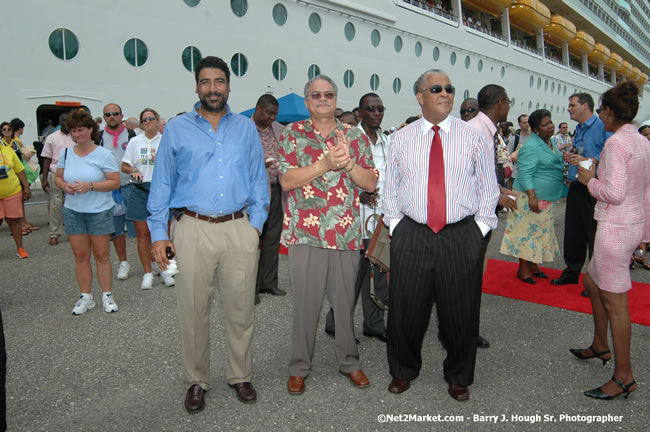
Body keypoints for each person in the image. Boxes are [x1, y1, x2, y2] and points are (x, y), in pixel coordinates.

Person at [147, 56, 269, 412]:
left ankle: (240, 374)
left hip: (238, 229)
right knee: (193, 311)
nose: (213, 88)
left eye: (219, 81)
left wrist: (254, 228)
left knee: (241, 309)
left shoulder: (246, 128)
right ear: (197, 86)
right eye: (205, 82)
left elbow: (259, 182)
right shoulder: (177, 128)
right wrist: (158, 234)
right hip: (191, 230)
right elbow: (162, 184)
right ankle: (196, 381)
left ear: (229, 86)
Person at [383, 69, 499, 401]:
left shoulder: (473, 137)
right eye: (437, 88)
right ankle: (403, 370)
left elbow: (489, 190)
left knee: (460, 312)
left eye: (449, 88)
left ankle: (459, 375)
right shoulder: (401, 139)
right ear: (420, 96)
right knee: (406, 310)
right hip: (412, 234)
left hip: (460, 235)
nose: (445, 92)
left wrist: (478, 230)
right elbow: (390, 189)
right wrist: (396, 225)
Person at [279, 75, 378, 395]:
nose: (323, 99)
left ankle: (349, 361)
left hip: (345, 233)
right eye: (316, 95)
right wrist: (324, 163)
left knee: (345, 303)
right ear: (307, 101)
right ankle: (298, 367)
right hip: (305, 234)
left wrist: (347, 163)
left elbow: (371, 184)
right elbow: (287, 180)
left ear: (336, 99)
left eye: (329, 94)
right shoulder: (293, 134)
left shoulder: (354, 136)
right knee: (305, 305)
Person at [572, 82, 648, 400]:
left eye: (602, 110)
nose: (601, 116)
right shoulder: (642, 142)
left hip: (615, 229)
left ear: (608, 111)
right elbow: (645, 190)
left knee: (616, 305)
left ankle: (624, 376)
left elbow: (613, 193)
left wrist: (591, 180)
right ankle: (600, 344)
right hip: (630, 226)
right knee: (591, 282)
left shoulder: (617, 143)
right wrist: (644, 236)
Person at [325, 92, 389, 343]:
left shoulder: (387, 141)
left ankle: (374, 324)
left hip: (381, 221)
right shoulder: (347, 140)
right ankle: (335, 323)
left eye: (380, 109)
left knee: (380, 276)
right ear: (360, 113)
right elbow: (332, 181)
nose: (377, 113)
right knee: (351, 279)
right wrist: (356, 195)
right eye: (371, 109)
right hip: (353, 221)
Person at [54, 109, 120, 315]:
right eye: (73, 131)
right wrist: (64, 186)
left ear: (91, 130)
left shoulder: (104, 154)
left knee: (101, 255)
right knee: (80, 256)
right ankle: (86, 296)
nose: (76, 135)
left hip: (99, 211)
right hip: (74, 210)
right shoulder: (66, 153)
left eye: (80, 130)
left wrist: (90, 186)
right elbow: (58, 178)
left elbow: (114, 183)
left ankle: (107, 295)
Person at [466, 86, 517, 349]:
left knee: (475, 273)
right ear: (500, 103)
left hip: (481, 213)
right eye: (508, 101)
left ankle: (465, 327)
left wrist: (499, 189)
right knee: (469, 276)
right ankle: (464, 331)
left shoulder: (486, 129)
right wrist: (496, 196)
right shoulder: (477, 130)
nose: (509, 105)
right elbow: (467, 175)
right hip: (472, 216)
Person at [552, 93, 611, 296]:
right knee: (573, 230)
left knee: (593, 232)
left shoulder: (602, 126)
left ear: (585, 106)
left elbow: (608, 155)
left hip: (593, 186)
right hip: (577, 184)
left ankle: (595, 278)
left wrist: (588, 159)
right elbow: (583, 153)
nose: (569, 109)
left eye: (572, 105)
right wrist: (572, 156)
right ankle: (572, 271)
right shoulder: (578, 129)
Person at [500, 109, 564, 283]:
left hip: (546, 198)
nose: (550, 126)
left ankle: (533, 265)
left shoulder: (549, 142)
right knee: (526, 233)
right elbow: (525, 174)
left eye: (550, 122)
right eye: (545, 124)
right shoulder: (531, 146)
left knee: (540, 233)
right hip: (530, 197)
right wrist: (532, 197)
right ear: (536, 130)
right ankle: (523, 269)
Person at [121, 108, 174, 289]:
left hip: (161, 190)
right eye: (145, 119)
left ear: (158, 121)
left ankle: (166, 269)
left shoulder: (166, 141)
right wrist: (133, 170)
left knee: (163, 233)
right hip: (140, 189)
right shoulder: (135, 142)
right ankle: (147, 272)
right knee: (143, 235)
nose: (148, 122)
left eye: (152, 118)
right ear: (141, 123)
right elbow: (124, 165)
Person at [252, 94, 286, 304]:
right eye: (269, 113)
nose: (272, 117)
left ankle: (268, 282)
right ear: (257, 109)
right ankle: (251, 286)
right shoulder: (244, 129)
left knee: (273, 237)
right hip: (254, 193)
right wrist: (257, 165)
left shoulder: (280, 130)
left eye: (275, 113)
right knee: (252, 240)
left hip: (277, 189)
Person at [97, 103, 136, 280]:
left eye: (115, 114)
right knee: (117, 229)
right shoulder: (98, 137)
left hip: (131, 186)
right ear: (104, 117)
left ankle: (153, 261)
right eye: (108, 114)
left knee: (142, 227)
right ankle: (123, 262)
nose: (112, 117)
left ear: (121, 116)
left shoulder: (131, 135)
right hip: (111, 190)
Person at [41, 113, 75, 246]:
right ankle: (54, 233)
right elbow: (46, 158)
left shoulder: (76, 136)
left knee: (72, 204)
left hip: (73, 174)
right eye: (65, 122)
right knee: (56, 203)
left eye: (69, 122)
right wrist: (44, 177)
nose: (67, 124)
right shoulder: (51, 138)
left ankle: (72, 232)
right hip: (56, 173)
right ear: (60, 122)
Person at [0, 126, 31, 258]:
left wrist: (26, 187)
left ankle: (20, 249)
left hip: (12, 192)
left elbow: (19, 170)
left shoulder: (8, 150)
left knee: (14, 221)